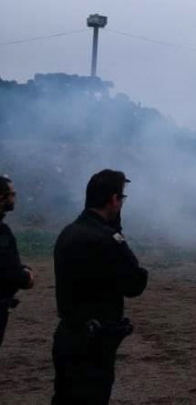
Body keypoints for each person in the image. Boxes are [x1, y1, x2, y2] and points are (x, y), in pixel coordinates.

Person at [52, 169, 149, 404]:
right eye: (121, 198)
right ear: (114, 199)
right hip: (94, 344)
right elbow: (135, 283)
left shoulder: (68, 232)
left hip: (67, 336)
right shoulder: (108, 239)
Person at [0, 175, 35, 349]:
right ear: (1, 197)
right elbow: (7, 271)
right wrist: (25, 276)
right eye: (12, 194)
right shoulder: (1, 232)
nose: (14, 198)